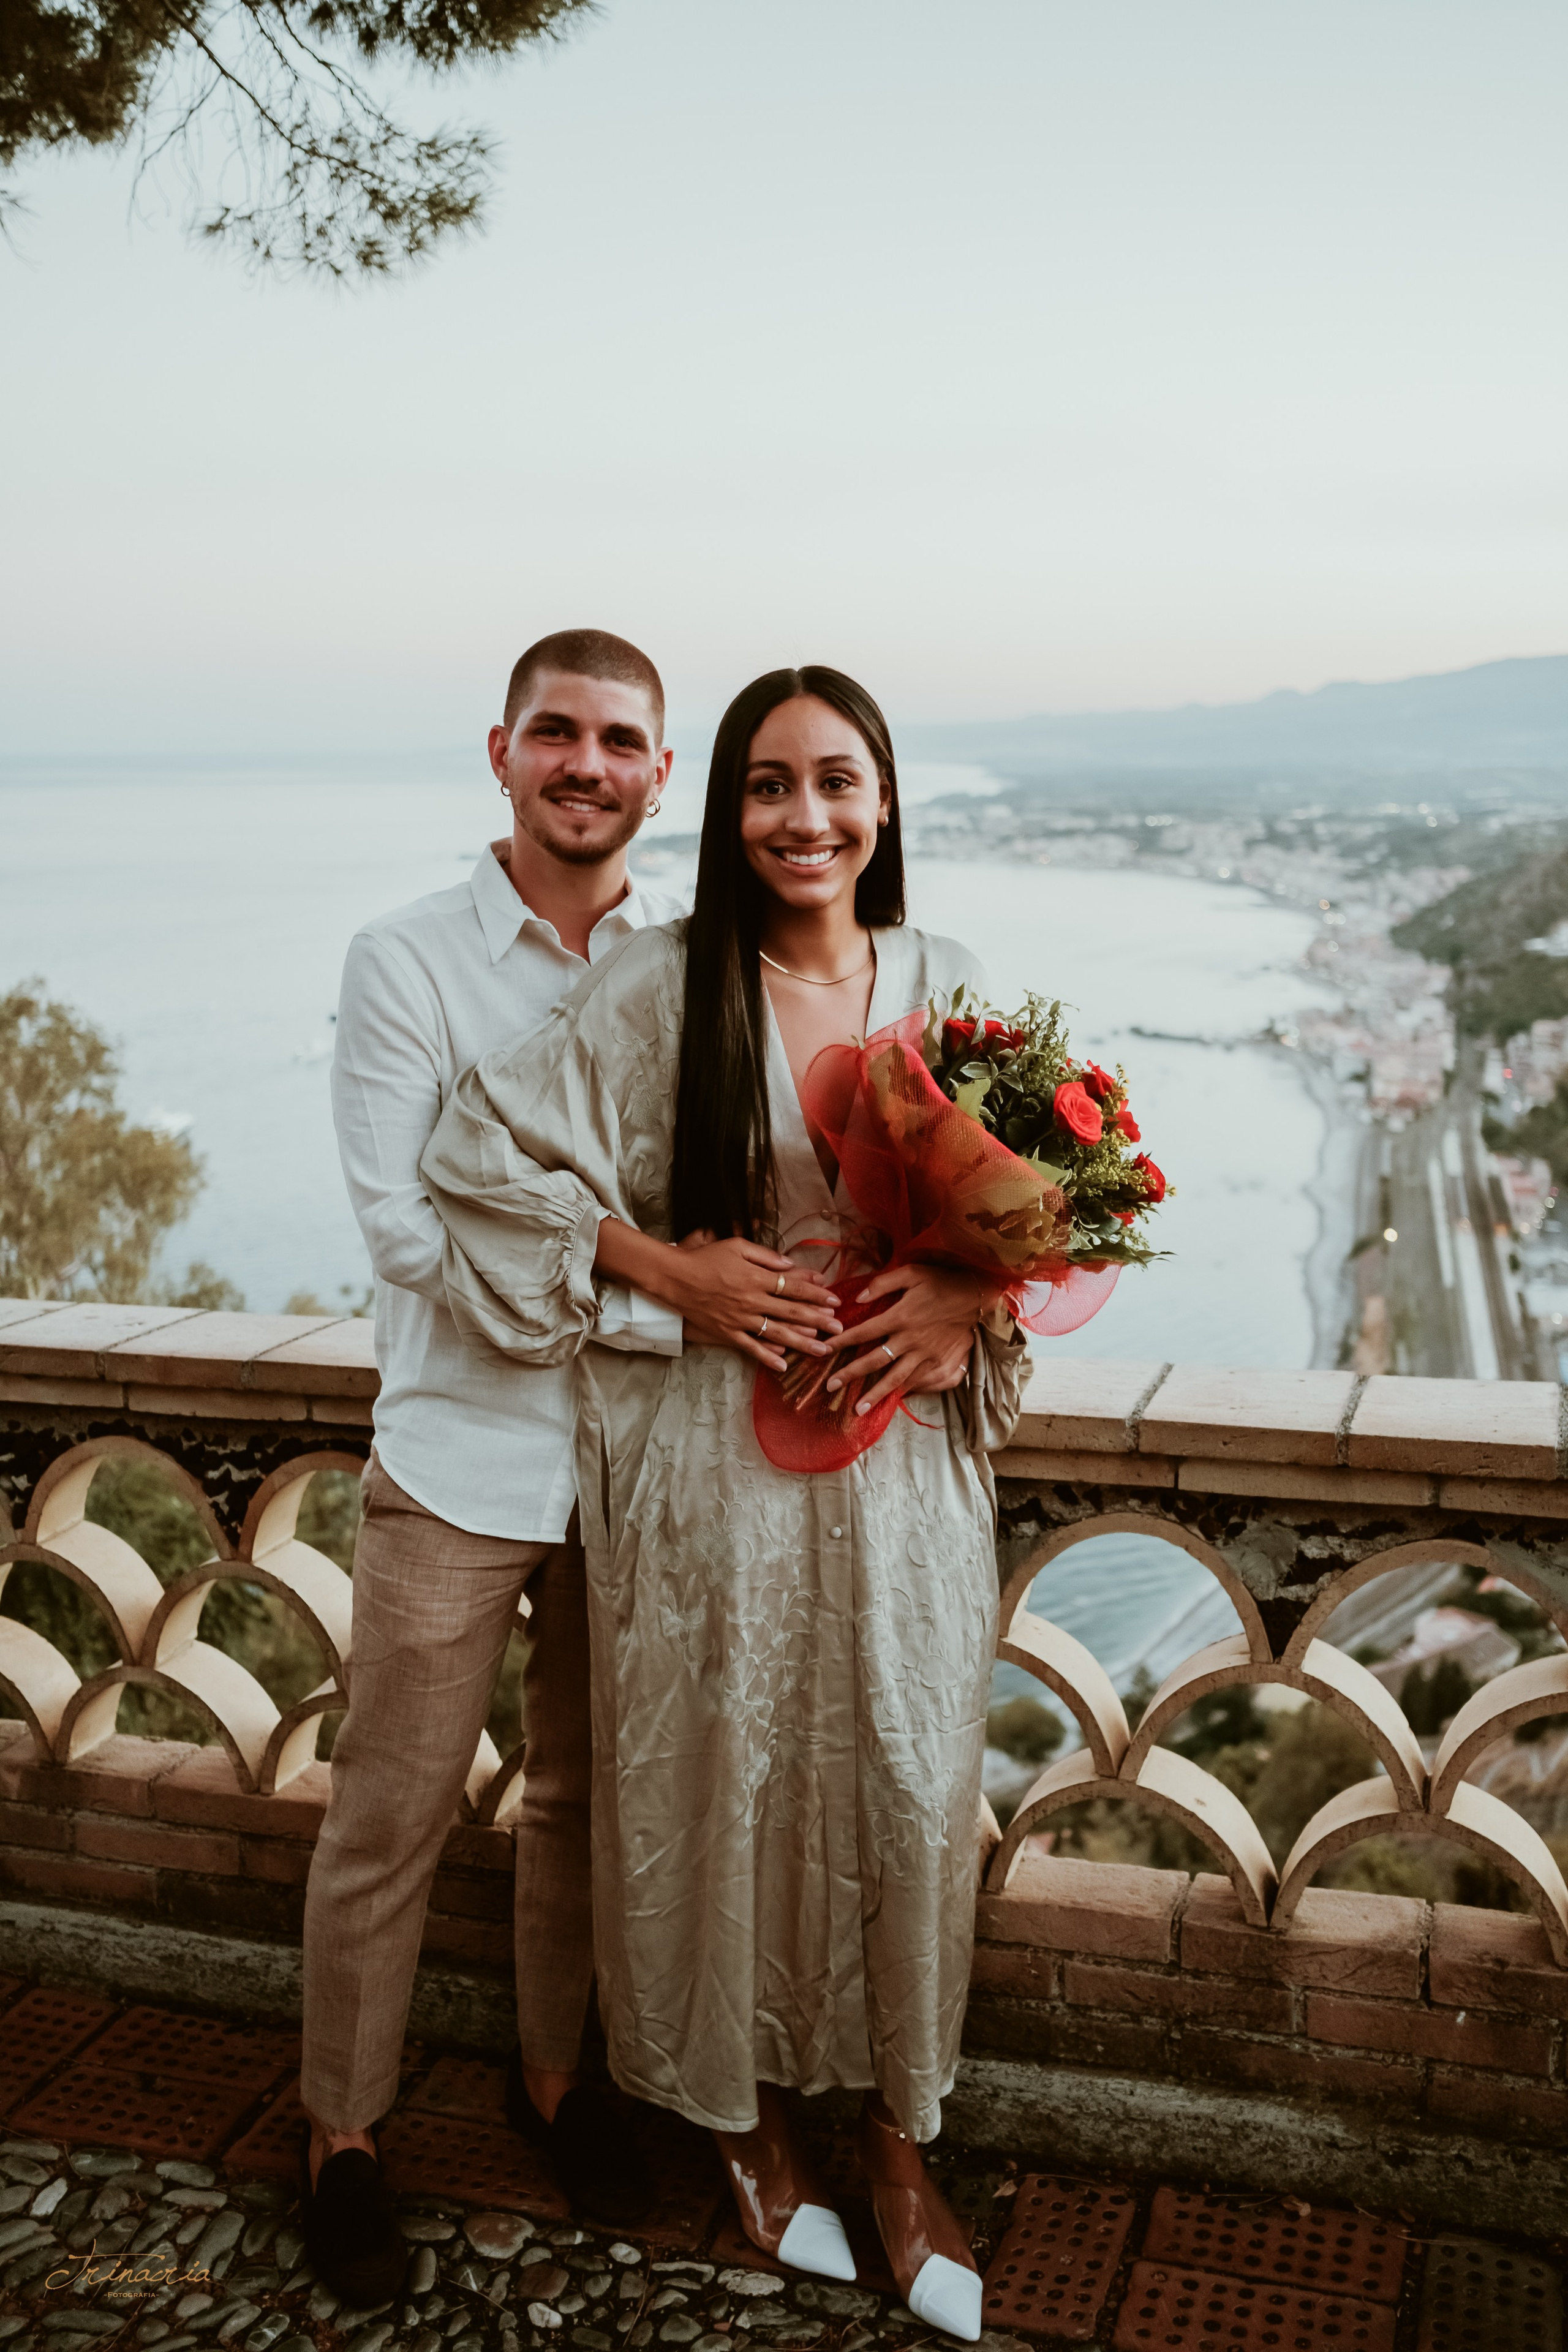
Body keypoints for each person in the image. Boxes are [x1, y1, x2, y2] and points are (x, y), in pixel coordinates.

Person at [420, 666, 1029, 2341]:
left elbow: (1040, 1218)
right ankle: (742, 2125)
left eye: (836, 780)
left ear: (884, 800)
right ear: (728, 807)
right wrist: (660, 1267)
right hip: (708, 1473)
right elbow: (476, 1150)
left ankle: (896, 2143)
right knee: (715, 1780)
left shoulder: (952, 988)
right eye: (769, 784)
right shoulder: (659, 985)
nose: (804, 816)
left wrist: (968, 1297)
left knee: (907, 1787)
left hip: (903, 1476)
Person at [299, 628, 741, 2302]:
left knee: (585, 1808)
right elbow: (409, 1232)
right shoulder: (405, 959)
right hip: (456, 1459)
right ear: (501, 751)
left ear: (659, 774)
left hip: (636, 1473)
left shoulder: (695, 966)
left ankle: (555, 2083)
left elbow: (726, 1202)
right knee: (389, 1813)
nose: (586, 765)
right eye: (557, 732)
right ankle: (342, 2131)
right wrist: (652, 1287)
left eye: (620, 741)